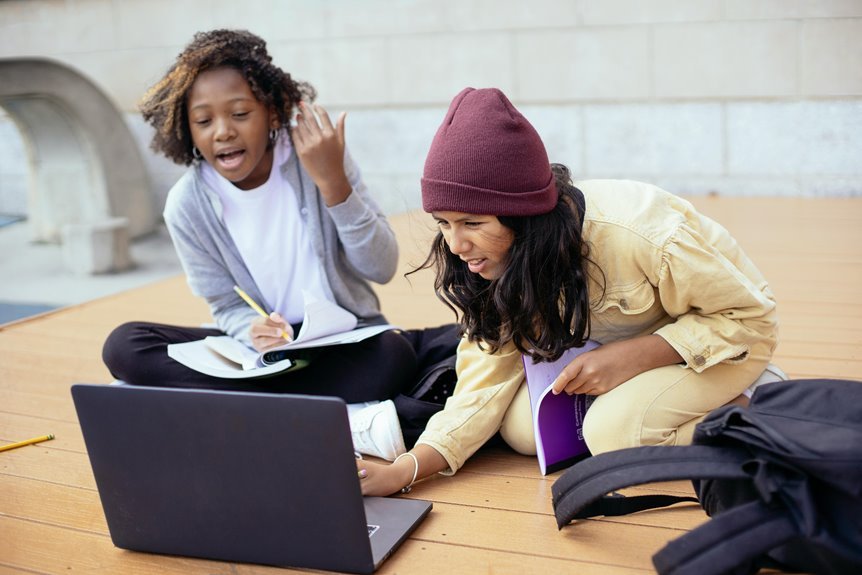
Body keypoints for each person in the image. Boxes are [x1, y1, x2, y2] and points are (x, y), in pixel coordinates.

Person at [357, 87, 784, 496]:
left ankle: (758, 404)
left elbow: (751, 319)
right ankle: (637, 406)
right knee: (522, 430)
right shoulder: (497, 259)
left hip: (722, 347)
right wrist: (406, 470)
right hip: (622, 353)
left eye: (472, 223)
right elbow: (481, 385)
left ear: (522, 216)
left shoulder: (642, 233)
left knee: (614, 436)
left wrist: (634, 356)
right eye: (443, 223)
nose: (455, 245)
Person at [101, 29, 444, 461]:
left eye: (240, 113)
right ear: (186, 130)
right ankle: (293, 409)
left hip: (341, 343)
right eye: (204, 121)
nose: (223, 132)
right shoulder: (187, 204)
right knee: (124, 346)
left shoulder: (318, 160)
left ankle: (237, 409)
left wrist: (334, 184)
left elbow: (381, 265)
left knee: (391, 357)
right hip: (261, 352)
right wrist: (252, 329)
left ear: (273, 113)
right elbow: (225, 304)